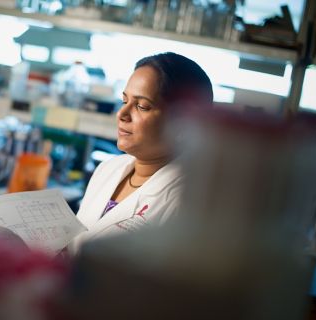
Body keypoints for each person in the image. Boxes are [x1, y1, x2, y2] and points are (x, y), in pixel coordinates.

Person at [69, 52, 213, 254]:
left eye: (142, 106)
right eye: (124, 100)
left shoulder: (188, 200)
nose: (122, 114)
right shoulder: (108, 168)